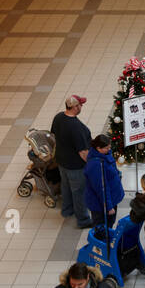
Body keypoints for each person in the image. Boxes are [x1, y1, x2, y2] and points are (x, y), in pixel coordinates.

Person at [51, 95, 93, 228]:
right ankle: (83, 220)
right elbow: (83, 152)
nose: (82, 106)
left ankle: (67, 210)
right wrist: (91, 163)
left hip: (62, 161)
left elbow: (53, 135)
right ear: (75, 107)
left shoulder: (58, 117)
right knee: (79, 191)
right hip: (75, 166)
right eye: (80, 104)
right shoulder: (76, 127)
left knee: (66, 186)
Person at [83, 134, 123, 231]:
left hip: (110, 198)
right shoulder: (96, 165)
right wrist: (109, 207)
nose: (109, 149)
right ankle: (101, 244)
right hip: (101, 205)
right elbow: (102, 188)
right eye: (106, 148)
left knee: (109, 224)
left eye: (109, 147)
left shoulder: (104, 155)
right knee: (102, 228)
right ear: (98, 148)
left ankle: (105, 241)